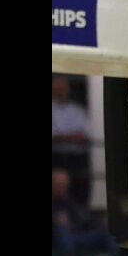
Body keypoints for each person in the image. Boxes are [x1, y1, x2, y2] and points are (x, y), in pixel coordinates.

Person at [52, 75, 93, 208]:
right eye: (57, 88)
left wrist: (64, 137)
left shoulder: (77, 110)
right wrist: (69, 137)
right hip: (56, 156)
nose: (60, 91)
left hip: (76, 157)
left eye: (63, 88)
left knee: (80, 185)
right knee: (58, 187)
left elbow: (84, 135)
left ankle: (79, 213)